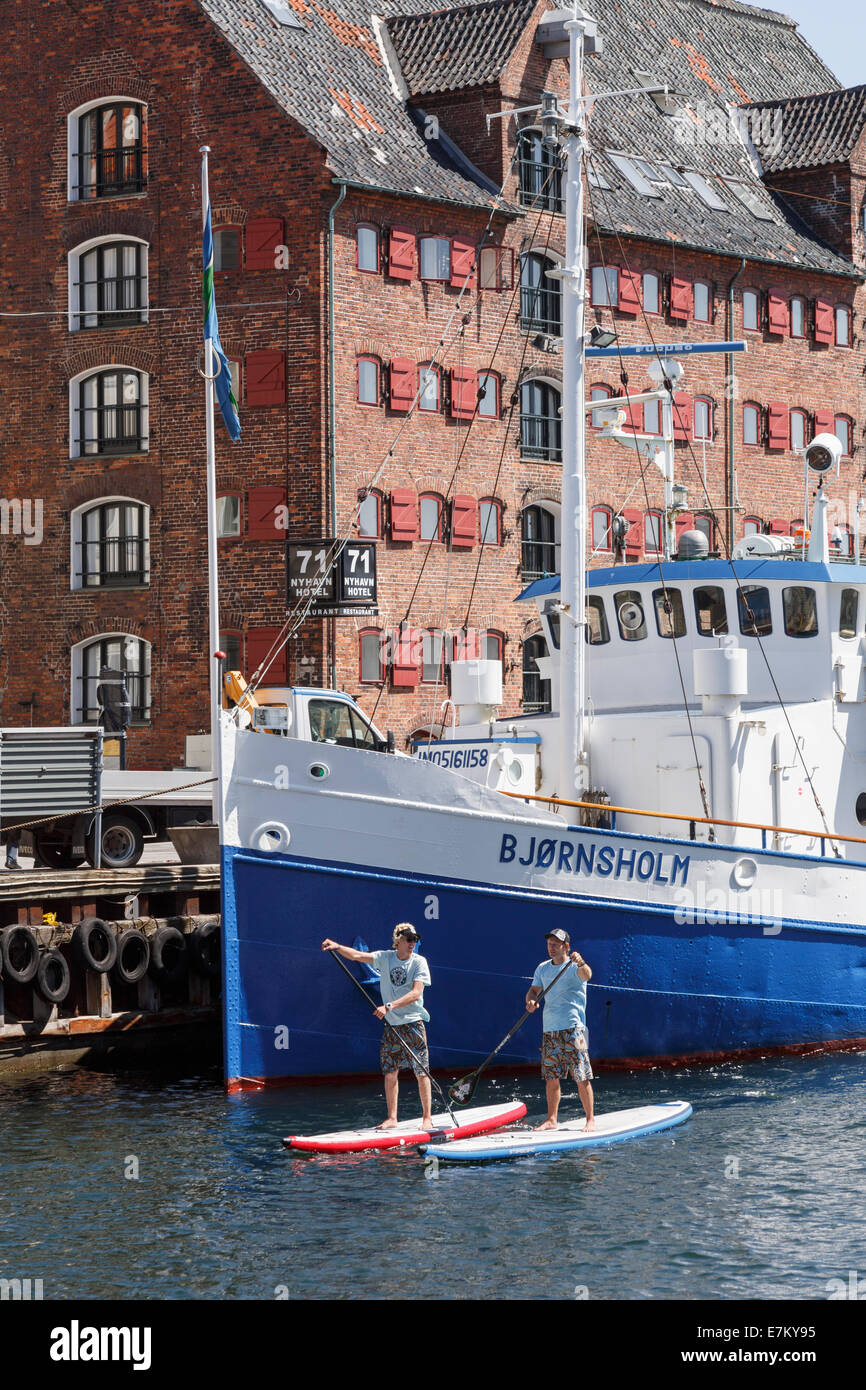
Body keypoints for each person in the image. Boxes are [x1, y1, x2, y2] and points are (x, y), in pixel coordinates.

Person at [321, 924, 432, 1129]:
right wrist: (337, 947)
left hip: (413, 1023)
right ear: (397, 940)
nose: (412, 943)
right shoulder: (385, 958)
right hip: (392, 1026)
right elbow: (357, 956)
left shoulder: (419, 962)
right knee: (390, 1072)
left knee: (421, 1071)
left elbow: (416, 993)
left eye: (414, 939)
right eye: (408, 939)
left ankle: (427, 1118)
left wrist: (389, 1006)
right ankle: (392, 1118)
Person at [526, 928, 594, 1131]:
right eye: (549, 944)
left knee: (581, 1076)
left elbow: (587, 975)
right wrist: (530, 1001)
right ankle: (551, 1119)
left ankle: (590, 1120)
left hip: (574, 1029)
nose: (552, 947)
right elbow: (534, 990)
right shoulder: (542, 968)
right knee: (551, 1077)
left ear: (566, 947)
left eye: (556, 944)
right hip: (550, 1030)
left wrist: (581, 962)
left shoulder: (574, 966)